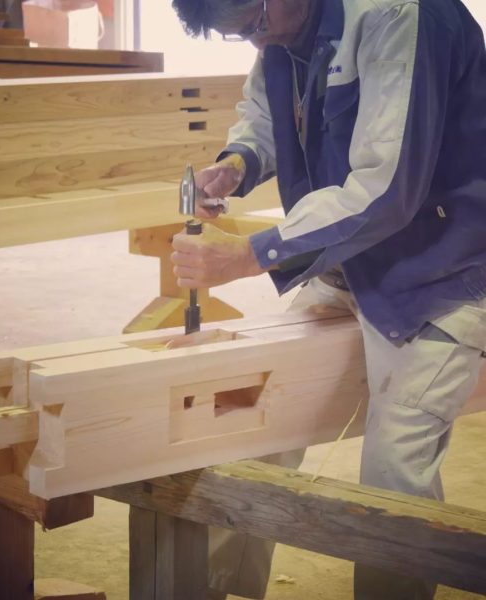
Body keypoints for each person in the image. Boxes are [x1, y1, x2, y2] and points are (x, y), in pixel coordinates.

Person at [169, 0, 486, 599]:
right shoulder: (284, 31)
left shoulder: (399, 16)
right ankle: (223, 590)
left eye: (255, 24)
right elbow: (268, 112)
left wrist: (249, 255)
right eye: (240, 36)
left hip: (441, 273)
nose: (257, 43)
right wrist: (237, 163)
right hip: (348, 262)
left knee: (394, 476)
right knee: (257, 424)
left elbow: (385, 189)